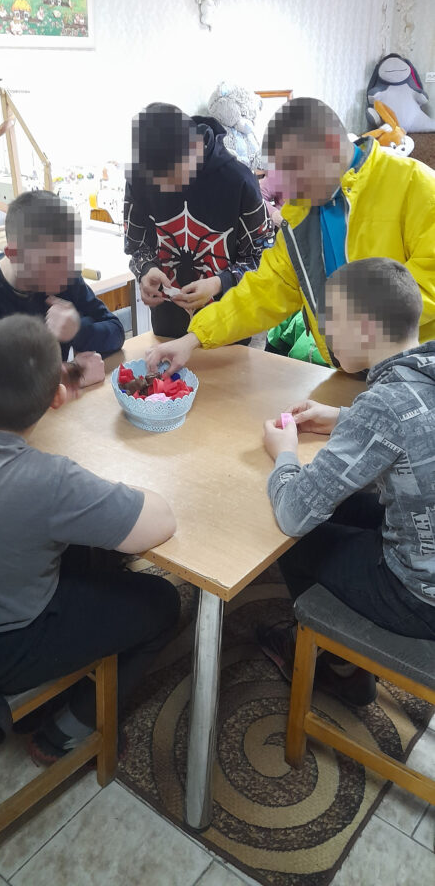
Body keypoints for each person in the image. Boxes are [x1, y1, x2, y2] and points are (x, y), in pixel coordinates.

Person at [0, 314, 179, 762]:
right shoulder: (48, 480)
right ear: (57, 398)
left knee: (81, 552)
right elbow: (161, 519)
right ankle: (66, 729)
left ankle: (43, 703)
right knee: (163, 601)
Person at [144, 97, 435, 375]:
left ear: (331, 146)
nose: (288, 190)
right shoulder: (302, 210)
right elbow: (266, 290)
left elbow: (426, 284)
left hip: (414, 370)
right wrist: (194, 338)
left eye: (294, 172)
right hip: (350, 368)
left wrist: (356, 332)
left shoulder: (415, 184)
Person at [261, 258, 435, 707]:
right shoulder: (423, 371)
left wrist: (283, 452)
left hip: (420, 598)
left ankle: (340, 666)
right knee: (346, 507)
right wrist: (344, 417)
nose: (325, 332)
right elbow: (413, 425)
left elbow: (295, 512)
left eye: (331, 320)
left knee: (292, 539)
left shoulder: (385, 403)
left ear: (364, 328)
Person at [125, 102, 270, 338]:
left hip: (228, 326)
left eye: (171, 177)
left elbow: (263, 257)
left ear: (194, 148)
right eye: (155, 181)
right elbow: (137, 246)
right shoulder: (139, 177)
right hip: (167, 327)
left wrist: (219, 283)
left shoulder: (239, 181)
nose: (163, 188)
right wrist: (146, 270)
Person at [0, 190, 125, 390]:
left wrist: (77, 330)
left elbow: (116, 331)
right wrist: (70, 375)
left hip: (60, 406)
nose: (67, 271)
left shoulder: (65, 276)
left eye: (70, 256)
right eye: (53, 260)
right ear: (14, 255)